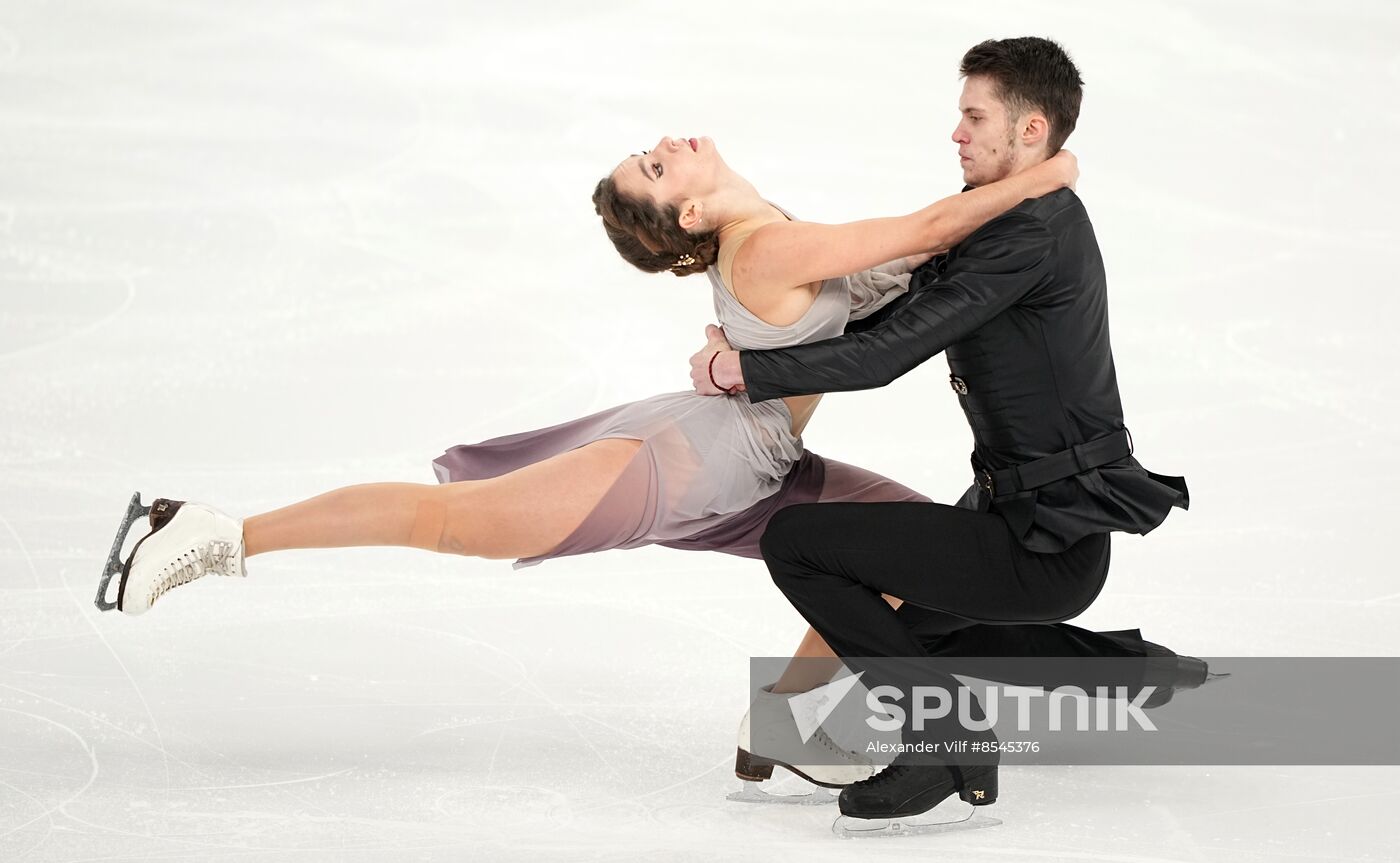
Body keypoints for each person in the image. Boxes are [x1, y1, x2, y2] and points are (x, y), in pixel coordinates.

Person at [690, 37, 1190, 822]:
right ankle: (1122, 673)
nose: (956, 132)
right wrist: (756, 342)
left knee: (799, 544)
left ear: (1030, 131)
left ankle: (952, 743)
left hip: (1045, 542)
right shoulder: (1003, 221)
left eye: (973, 116)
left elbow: (887, 354)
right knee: (917, 637)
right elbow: (890, 312)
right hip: (1016, 516)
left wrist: (743, 376)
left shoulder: (1032, 235)